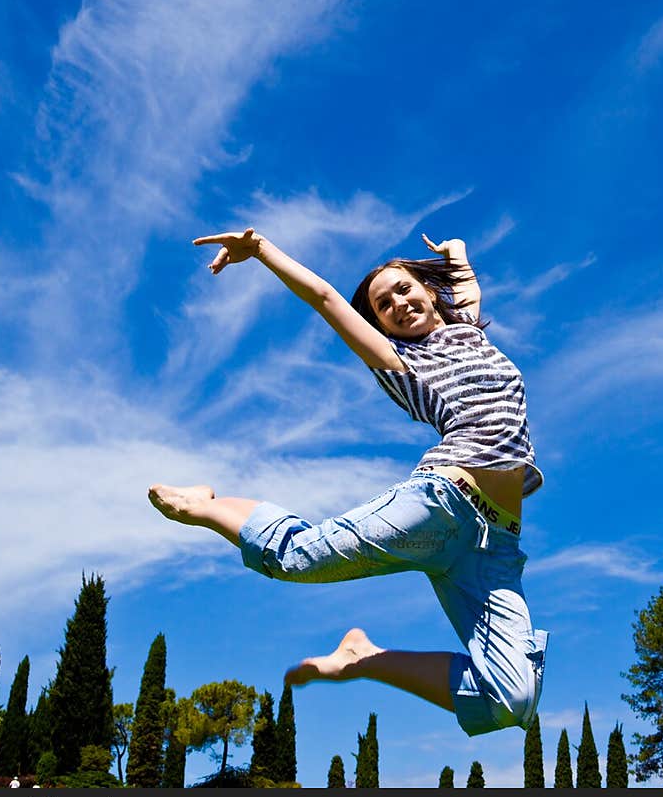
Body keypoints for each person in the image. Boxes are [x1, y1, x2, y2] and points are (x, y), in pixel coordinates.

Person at [149, 227, 548, 738]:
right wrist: (264, 249)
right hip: (441, 505)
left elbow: (466, 288)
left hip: (494, 545)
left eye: (404, 290)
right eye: (383, 306)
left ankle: (364, 658)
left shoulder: (467, 332)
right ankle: (204, 505)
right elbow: (325, 297)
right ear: (378, 324)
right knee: (293, 559)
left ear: (430, 291)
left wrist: (457, 253)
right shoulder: (402, 363)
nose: (399, 304)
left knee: (511, 700)